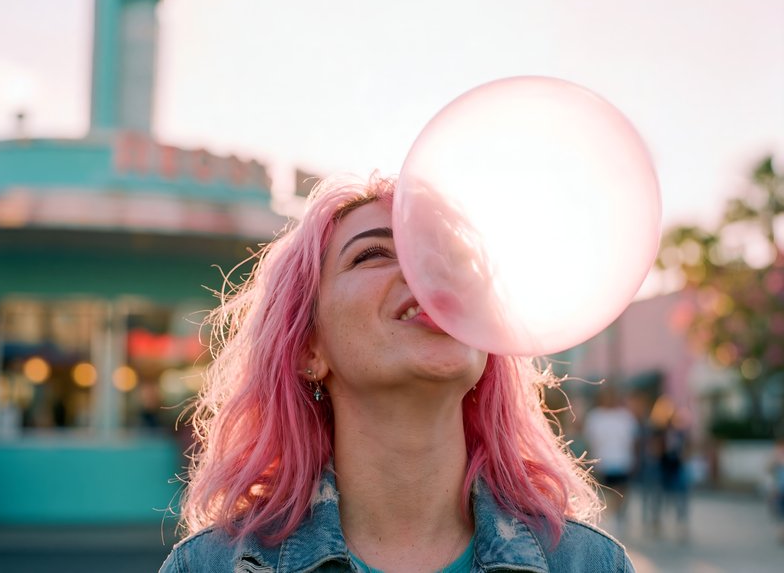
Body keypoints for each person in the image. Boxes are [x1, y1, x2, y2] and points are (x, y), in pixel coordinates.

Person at [160, 174, 634, 572]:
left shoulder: (588, 562)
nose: (430, 275)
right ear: (308, 347)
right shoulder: (211, 565)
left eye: (450, 260)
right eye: (373, 254)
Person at [582, 386, 638, 532]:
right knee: (608, 494)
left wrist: (634, 459)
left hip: (622, 460)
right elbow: (590, 440)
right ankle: (612, 518)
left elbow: (632, 440)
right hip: (603, 462)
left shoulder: (625, 416)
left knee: (621, 493)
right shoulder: (595, 416)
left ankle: (618, 517)